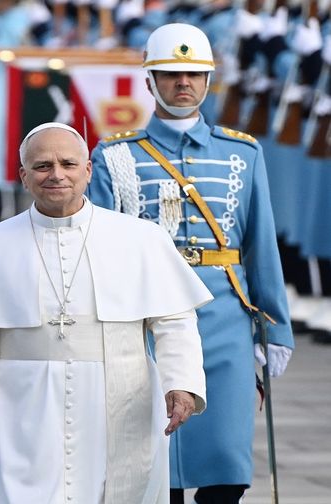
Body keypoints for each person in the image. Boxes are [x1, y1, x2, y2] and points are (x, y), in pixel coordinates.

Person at [0, 122, 213, 503]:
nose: (57, 174)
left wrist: (182, 384)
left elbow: (175, 322)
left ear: (88, 170)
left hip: (124, 396)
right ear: (23, 176)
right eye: (43, 166)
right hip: (24, 408)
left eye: (68, 163)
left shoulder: (142, 239)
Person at [88, 23, 294, 503]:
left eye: (195, 74)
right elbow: (95, 250)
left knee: (227, 468)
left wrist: (275, 328)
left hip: (224, 319)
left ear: (208, 80)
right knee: (156, 470)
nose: (184, 83)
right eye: (171, 73)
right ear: (150, 81)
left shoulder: (242, 152)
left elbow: (261, 247)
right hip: (146, 320)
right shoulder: (116, 155)